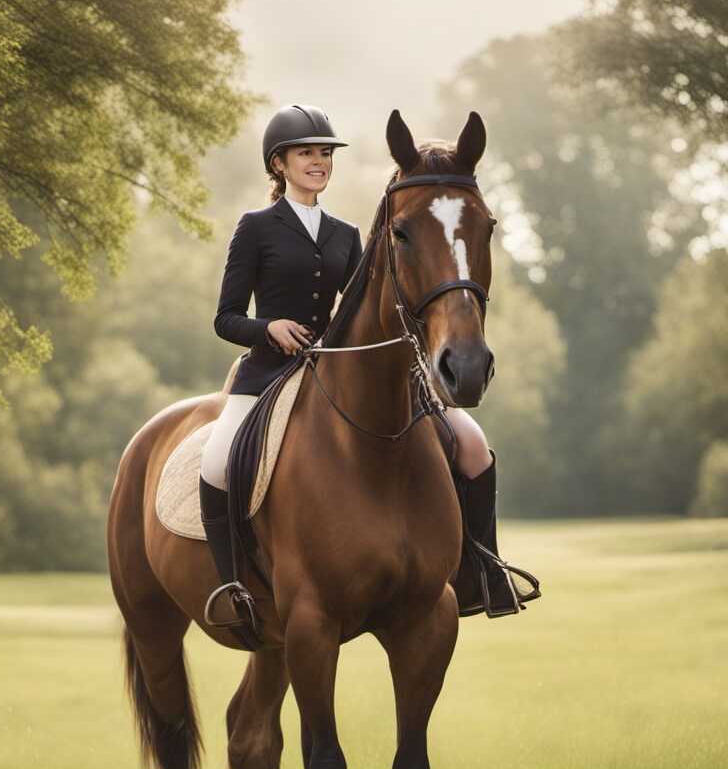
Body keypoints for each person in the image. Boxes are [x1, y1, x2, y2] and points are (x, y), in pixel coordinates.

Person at [199, 103, 537, 620]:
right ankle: (233, 591)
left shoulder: (344, 233)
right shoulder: (256, 227)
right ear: (279, 165)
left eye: (324, 154)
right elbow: (225, 318)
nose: (318, 162)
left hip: (335, 368)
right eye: (305, 154)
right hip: (268, 373)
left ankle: (484, 569)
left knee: (472, 445)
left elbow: (369, 307)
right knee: (218, 462)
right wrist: (268, 328)